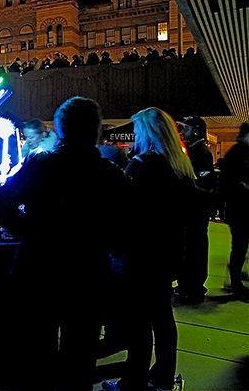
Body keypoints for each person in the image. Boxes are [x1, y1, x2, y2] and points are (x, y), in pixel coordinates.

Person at [0, 96, 130, 390]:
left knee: (38, 353)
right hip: (88, 271)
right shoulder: (111, 175)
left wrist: (31, 229)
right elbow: (130, 224)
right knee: (80, 355)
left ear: (61, 130)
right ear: (96, 131)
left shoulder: (42, 165)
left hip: (40, 266)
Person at [102, 107, 196, 391]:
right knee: (162, 317)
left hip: (140, 254)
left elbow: (123, 209)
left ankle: (133, 381)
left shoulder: (144, 163)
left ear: (148, 132)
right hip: (167, 252)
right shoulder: (180, 165)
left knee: (139, 322)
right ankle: (164, 377)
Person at [175, 116, 216, 304]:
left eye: (186, 128)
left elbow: (205, 184)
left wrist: (186, 183)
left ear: (197, 130)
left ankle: (195, 287)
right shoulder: (192, 150)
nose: (182, 132)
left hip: (196, 212)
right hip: (190, 210)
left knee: (195, 249)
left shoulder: (201, 153)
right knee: (189, 248)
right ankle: (187, 284)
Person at [220, 122, 249, 299]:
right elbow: (229, 182)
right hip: (239, 209)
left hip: (241, 208)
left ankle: (237, 280)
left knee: (240, 247)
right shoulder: (238, 153)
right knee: (239, 247)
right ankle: (236, 283)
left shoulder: (242, 152)